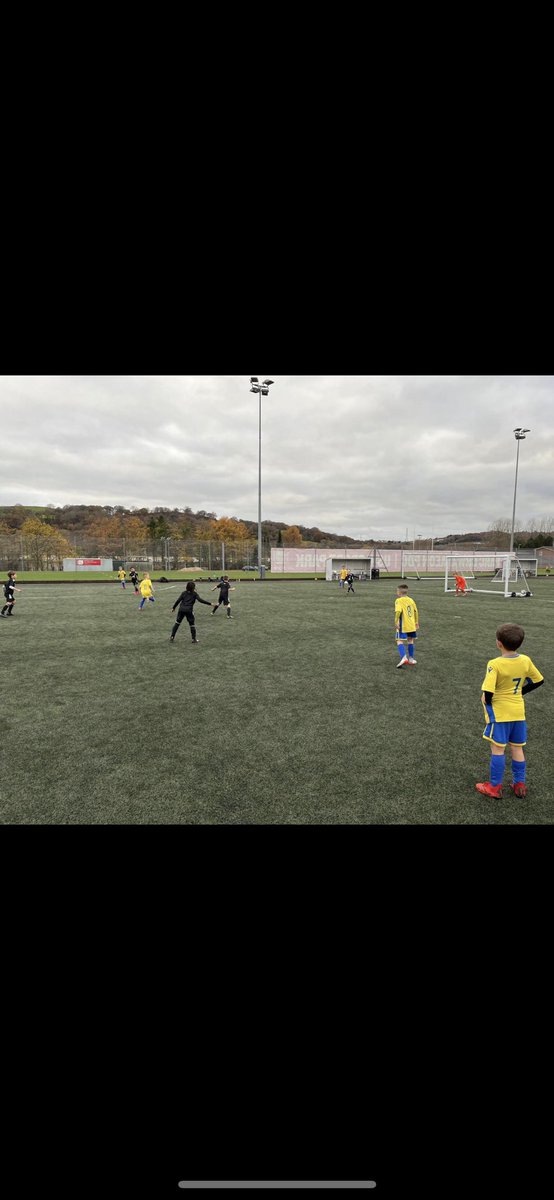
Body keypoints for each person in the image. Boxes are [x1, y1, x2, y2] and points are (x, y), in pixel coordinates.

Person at [476, 623, 544, 800]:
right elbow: (538, 680)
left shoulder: (495, 664)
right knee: (517, 748)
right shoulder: (525, 660)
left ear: (499, 643)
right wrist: (521, 692)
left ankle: (494, 787)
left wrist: (487, 701)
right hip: (518, 712)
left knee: (498, 749)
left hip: (500, 713)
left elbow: (489, 692)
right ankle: (519, 784)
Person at [395, 584, 419, 668]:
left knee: (399, 640)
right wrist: (416, 622)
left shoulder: (399, 600)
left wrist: (396, 621)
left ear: (399, 592)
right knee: (410, 640)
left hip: (403, 625)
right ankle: (411, 659)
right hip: (411, 624)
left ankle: (403, 657)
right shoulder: (411, 600)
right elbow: (416, 611)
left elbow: (398, 611)